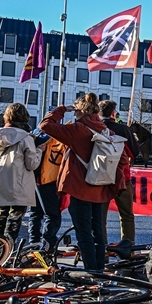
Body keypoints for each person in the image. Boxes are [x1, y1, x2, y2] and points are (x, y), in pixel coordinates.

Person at [40, 93, 124, 273]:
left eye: (75, 110)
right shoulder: (105, 130)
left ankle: (91, 271)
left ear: (81, 110)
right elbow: (123, 159)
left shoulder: (78, 129)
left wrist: (61, 110)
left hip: (81, 187)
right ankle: (99, 269)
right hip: (100, 186)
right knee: (97, 232)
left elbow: (45, 126)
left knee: (83, 231)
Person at [0, 103, 42, 241]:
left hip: (0, 181)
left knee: (1, 218)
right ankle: (8, 253)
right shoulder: (26, 138)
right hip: (19, 183)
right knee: (14, 221)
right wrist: (39, 150)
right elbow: (31, 164)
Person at [99, 100, 140, 256]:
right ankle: (128, 249)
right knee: (126, 215)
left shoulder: (95, 128)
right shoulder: (123, 129)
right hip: (122, 176)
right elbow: (134, 152)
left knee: (100, 218)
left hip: (100, 178)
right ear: (113, 113)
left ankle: (101, 250)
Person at [29, 129, 63, 253]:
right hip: (48, 179)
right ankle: (48, 243)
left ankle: (34, 244)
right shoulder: (57, 137)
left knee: (35, 213)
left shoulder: (37, 133)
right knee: (53, 214)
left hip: (35, 179)